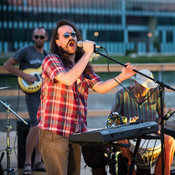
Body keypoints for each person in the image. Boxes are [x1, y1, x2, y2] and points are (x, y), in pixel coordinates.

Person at [37, 19, 136, 175]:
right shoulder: (51, 60)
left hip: (76, 134)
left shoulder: (83, 66)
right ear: (58, 42)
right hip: (54, 132)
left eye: (74, 34)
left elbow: (101, 87)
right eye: (66, 35)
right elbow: (68, 79)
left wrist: (122, 77)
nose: (71, 37)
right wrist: (88, 53)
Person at [111, 69, 175, 175]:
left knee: (170, 141)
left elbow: (163, 115)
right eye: (142, 85)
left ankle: (161, 173)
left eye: (148, 85)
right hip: (129, 132)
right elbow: (113, 118)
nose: (145, 87)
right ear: (135, 82)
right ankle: (131, 172)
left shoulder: (154, 93)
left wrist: (160, 124)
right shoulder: (122, 93)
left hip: (151, 131)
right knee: (121, 142)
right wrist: (125, 122)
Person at [3, 27, 48, 175]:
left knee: (42, 128)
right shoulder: (25, 51)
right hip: (32, 94)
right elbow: (7, 65)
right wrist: (24, 75)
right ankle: (27, 162)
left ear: (46, 38)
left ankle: (38, 161)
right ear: (32, 37)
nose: (38, 40)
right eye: (36, 37)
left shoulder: (47, 55)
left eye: (41, 37)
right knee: (34, 126)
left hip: (45, 94)